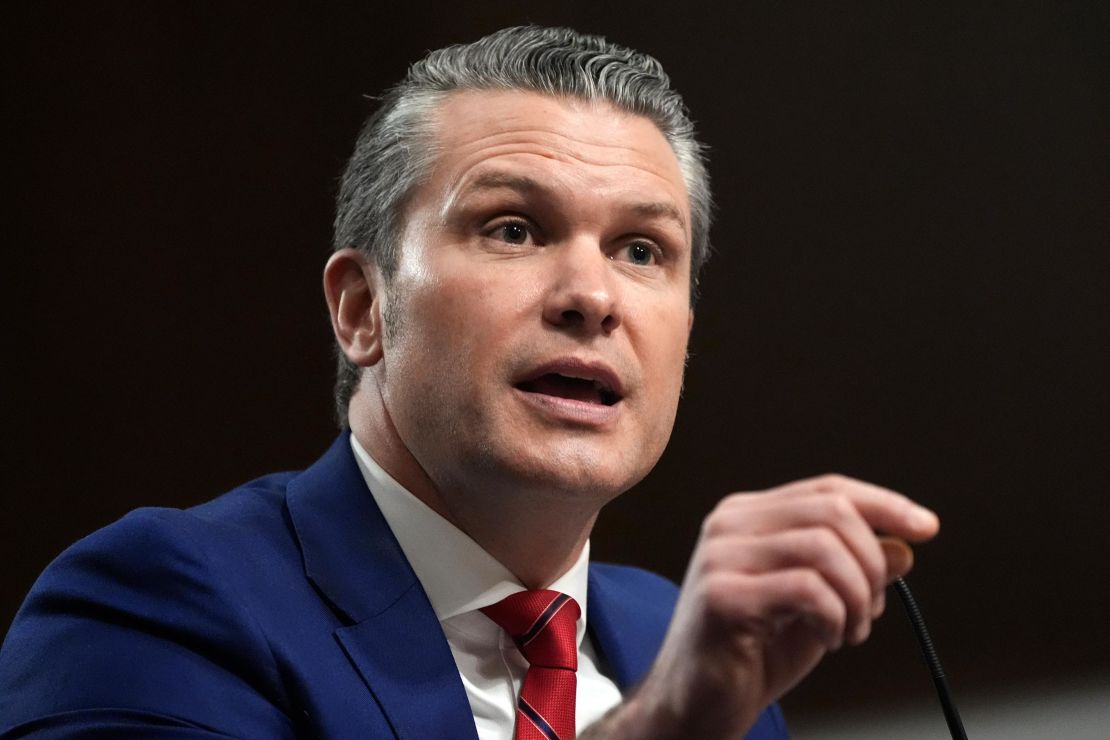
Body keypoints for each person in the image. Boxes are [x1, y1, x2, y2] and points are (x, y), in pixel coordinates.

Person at [0, 26, 939, 739]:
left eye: (643, 249)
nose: (591, 296)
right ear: (364, 308)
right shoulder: (154, 608)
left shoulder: (689, 646)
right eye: (513, 229)